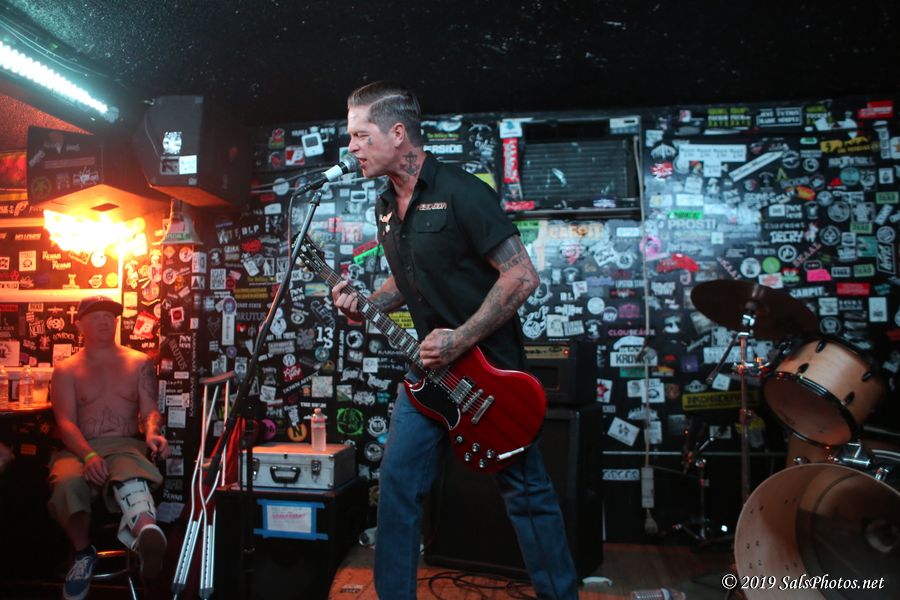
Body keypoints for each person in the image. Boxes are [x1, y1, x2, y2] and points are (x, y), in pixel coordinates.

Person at [331, 81, 579, 599]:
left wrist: (460, 339)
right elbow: (411, 275)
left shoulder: (464, 192)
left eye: (360, 135)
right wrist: (368, 303)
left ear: (398, 134)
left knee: (527, 495)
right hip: (427, 377)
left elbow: (522, 276)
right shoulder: (385, 205)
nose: (351, 148)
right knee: (397, 491)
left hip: (492, 375)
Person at [49, 295, 170, 600]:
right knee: (67, 482)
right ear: (79, 324)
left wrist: (152, 433)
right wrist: (88, 455)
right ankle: (83, 554)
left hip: (125, 443)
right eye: (95, 316)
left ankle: (146, 537)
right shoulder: (66, 369)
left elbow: (150, 410)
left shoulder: (139, 362)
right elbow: (65, 423)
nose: (104, 321)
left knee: (131, 472)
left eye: (109, 316)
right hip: (80, 447)